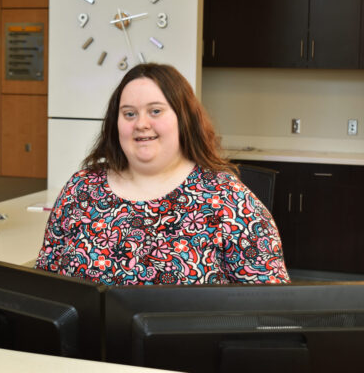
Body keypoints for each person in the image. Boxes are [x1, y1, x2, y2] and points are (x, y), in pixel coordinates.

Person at [35, 63, 290, 285]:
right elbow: (47, 285)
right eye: (129, 114)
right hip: (85, 341)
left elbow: (269, 308)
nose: (141, 123)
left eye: (155, 111)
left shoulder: (228, 200)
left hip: (189, 342)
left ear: (184, 119)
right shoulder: (81, 188)